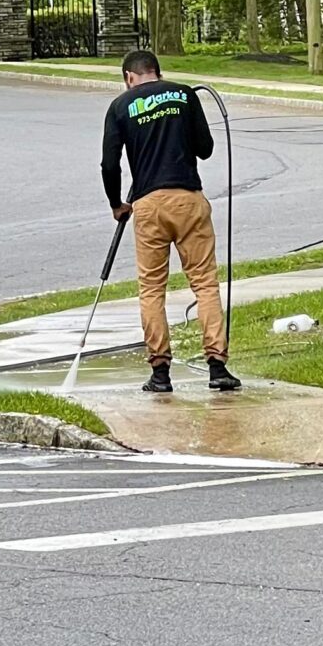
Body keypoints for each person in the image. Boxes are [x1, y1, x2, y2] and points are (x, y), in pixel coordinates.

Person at [101, 48, 239, 395]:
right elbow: (205, 148)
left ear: (129, 78)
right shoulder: (185, 94)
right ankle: (217, 367)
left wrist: (117, 204)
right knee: (205, 283)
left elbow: (109, 164)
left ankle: (160, 372)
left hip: (147, 205)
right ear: (157, 73)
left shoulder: (120, 106)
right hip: (189, 199)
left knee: (151, 288)